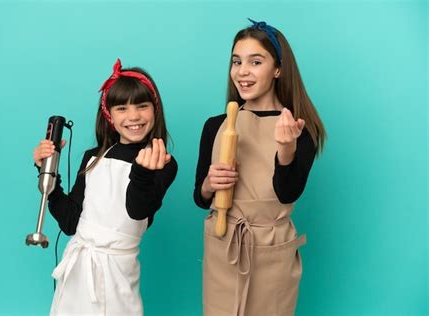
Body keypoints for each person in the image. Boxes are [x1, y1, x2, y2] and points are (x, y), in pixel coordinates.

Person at [193, 19, 326, 316]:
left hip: (271, 249)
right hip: (223, 244)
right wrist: (209, 185)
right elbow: (199, 198)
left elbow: (287, 193)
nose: (243, 71)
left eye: (256, 61)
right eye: (237, 61)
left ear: (278, 69)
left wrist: (286, 148)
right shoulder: (216, 125)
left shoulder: (300, 130)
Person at [33, 59, 178, 315]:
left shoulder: (161, 162)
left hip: (118, 272)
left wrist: (142, 172)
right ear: (109, 115)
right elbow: (70, 223)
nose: (133, 116)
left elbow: (137, 210)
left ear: (155, 109)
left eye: (142, 106)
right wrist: (48, 172)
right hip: (78, 269)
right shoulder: (93, 157)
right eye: (122, 108)